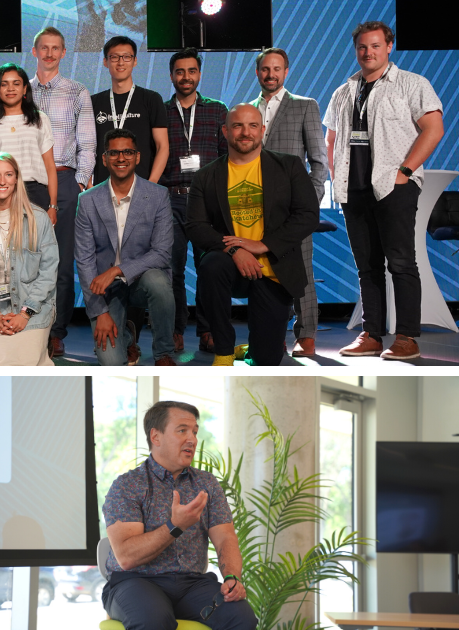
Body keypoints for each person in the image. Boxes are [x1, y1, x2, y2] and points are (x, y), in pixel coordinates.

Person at [325, 21, 444, 361]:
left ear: (389, 46)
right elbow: (331, 140)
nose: (368, 52)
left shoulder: (411, 84)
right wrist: (338, 180)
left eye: (375, 46)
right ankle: (371, 335)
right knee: (367, 266)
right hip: (354, 189)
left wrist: (405, 172)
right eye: (363, 47)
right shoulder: (344, 90)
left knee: (402, 263)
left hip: (393, 187)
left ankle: (407, 337)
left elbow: (433, 129)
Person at [102, 401, 257, 630]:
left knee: (241, 616)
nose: (192, 439)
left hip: (192, 585)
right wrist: (175, 526)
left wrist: (232, 577)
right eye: (182, 430)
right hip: (135, 582)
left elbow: (225, 537)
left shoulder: (207, 484)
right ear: (156, 437)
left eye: (194, 431)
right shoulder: (127, 485)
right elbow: (127, 557)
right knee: (153, 620)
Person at [185, 104, 319, 366]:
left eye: (252, 126)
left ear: (262, 130)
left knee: (266, 361)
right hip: (230, 267)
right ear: (225, 131)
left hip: (273, 270)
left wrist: (263, 245)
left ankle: (253, 348)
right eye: (237, 125)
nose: (245, 132)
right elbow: (196, 226)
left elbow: (307, 215)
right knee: (210, 264)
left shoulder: (289, 166)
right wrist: (235, 250)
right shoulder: (205, 176)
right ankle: (223, 349)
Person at [250, 48, 329, 359]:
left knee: (301, 272)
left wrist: (308, 205)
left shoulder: (305, 106)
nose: (271, 74)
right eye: (265, 69)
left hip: (294, 210)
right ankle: (272, 334)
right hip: (257, 209)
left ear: (286, 72)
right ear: (258, 73)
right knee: (267, 273)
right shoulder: (247, 111)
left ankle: (306, 335)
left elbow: (319, 162)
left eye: (277, 69)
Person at [76, 129, 176, 367]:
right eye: (114, 153)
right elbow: (85, 262)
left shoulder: (158, 195)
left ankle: (163, 353)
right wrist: (100, 313)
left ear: (137, 157)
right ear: (104, 159)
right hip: (106, 290)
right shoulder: (88, 200)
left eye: (127, 152)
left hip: (143, 280)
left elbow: (162, 254)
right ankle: (128, 337)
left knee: (159, 282)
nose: (121, 158)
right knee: (111, 363)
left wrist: (117, 270)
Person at [29, 26, 97, 359]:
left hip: (65, 180)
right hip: (26, 186)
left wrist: (81, 184)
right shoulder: (20, 91)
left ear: (64, 52)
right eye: (45, 48)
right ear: (35, 51)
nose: (50, 53)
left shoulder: (77, 91)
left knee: (61, 264)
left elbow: (88, 144)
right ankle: (30, 328)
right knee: (26, 260)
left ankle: (56, 332)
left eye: (56, 48)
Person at [160, 48, 228, 355]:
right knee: (172, 270)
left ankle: (207, 329)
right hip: (170, 200)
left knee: (208, 269)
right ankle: (175, 330)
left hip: (207, 203)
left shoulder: (217, 110)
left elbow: (228, 157)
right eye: (179, 71)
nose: (185, 77)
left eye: (191, 71)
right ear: (172, 75)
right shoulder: (159, 111)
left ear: (199, 74)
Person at [0, 153, 60, 366]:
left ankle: (42, 352)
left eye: (8, 175)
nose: (2, 181)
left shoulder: (39, 219)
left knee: (23, 364)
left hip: (34, 308)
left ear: (17, 178)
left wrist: (24, 315)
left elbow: (48, 272)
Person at [0, 63, 59, 214]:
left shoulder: (40, 119)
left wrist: (53, 205)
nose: (11, 89)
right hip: (0, 191)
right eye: (4, 84)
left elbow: (49, 165)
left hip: (35, 193)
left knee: (36, 238)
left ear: (25, 88)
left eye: (16, 83)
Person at [90, 36, 169, 186]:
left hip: (141, 186)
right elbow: (86, 149)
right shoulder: (93, 102)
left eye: (126, 57)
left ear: (135, 61)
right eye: (114, 57)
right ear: (105, 62)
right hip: (103, 187)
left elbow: (162, 146)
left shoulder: (151, 99)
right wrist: (90, 187)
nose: (120, 62)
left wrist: (150, 185)